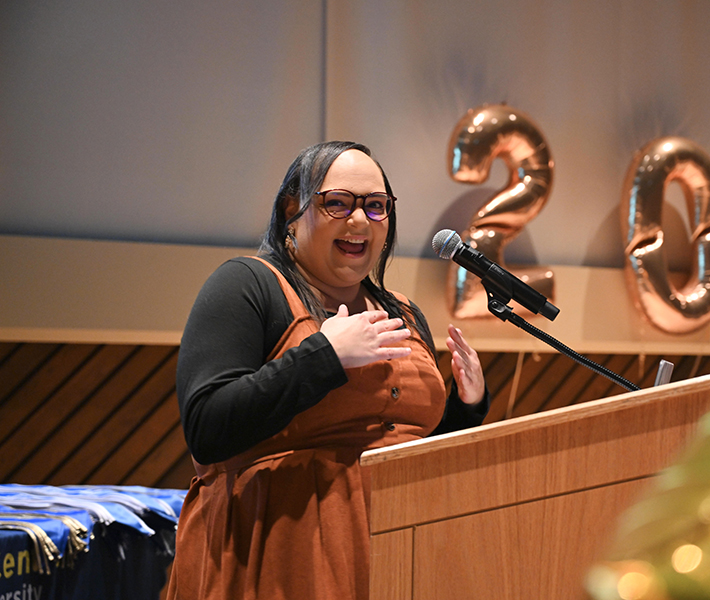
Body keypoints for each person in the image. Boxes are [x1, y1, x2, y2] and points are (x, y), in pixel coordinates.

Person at [167, 141, 489, 600]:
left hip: (403, 558)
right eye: (336, 203)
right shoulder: (245, 285)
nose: (359, 220)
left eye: (376, 207)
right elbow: (207, 428)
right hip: (280, 566)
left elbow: (413, 449)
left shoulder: (403, 312)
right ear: (292, 211)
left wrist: (466, 407)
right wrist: (325, 356)